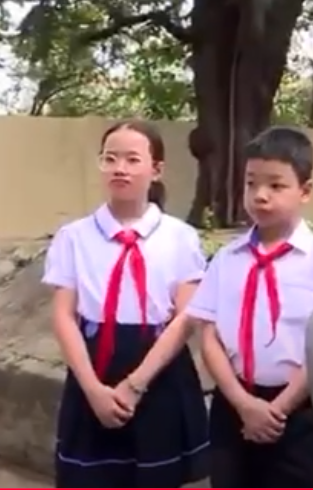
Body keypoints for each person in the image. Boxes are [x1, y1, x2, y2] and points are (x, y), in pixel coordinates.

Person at [186, 127, 313, 488]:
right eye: (251, 184)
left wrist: (277, 409)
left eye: (276, 185)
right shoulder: (227, 259)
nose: (260, 195)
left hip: (296, 410)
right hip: (233, 404)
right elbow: (209, 335)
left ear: (305, 191)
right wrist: (242, 403)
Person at [44, 121, 209, 488]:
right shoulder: (73, 237)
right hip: (95, 368)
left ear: (156, 169)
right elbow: (63, 315)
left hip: (160, 369)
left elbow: (186, 317)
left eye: (133, 159)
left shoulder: (180, 237)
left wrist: (135, 384)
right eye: (110, 158)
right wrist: (92, 389)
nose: (120, 168)